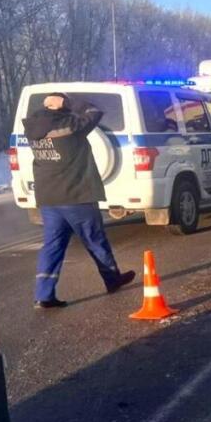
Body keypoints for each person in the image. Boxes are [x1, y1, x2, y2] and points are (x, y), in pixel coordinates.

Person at [23, 93, 135, 309]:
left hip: (49, 198)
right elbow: (94, 111)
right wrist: (67, 102)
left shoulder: (32, 129)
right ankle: (112, 279)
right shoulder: (71, 126)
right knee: (95, 240)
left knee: (52, 246)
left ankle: (43, 294)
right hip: (76, 195)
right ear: (62, 110)